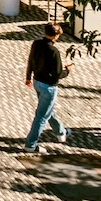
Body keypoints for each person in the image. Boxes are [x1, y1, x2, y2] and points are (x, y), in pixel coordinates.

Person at [22, 22, 72, 153]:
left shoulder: (36, 44)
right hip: (49, 87)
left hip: (37, 82)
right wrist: (68, 70)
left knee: (48, 110)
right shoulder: (54, 51)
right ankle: (30, 144)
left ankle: (61, 132)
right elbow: (58, 73)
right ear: (56, 36)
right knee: (41, 116)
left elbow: (31, 60)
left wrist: (28, 77)